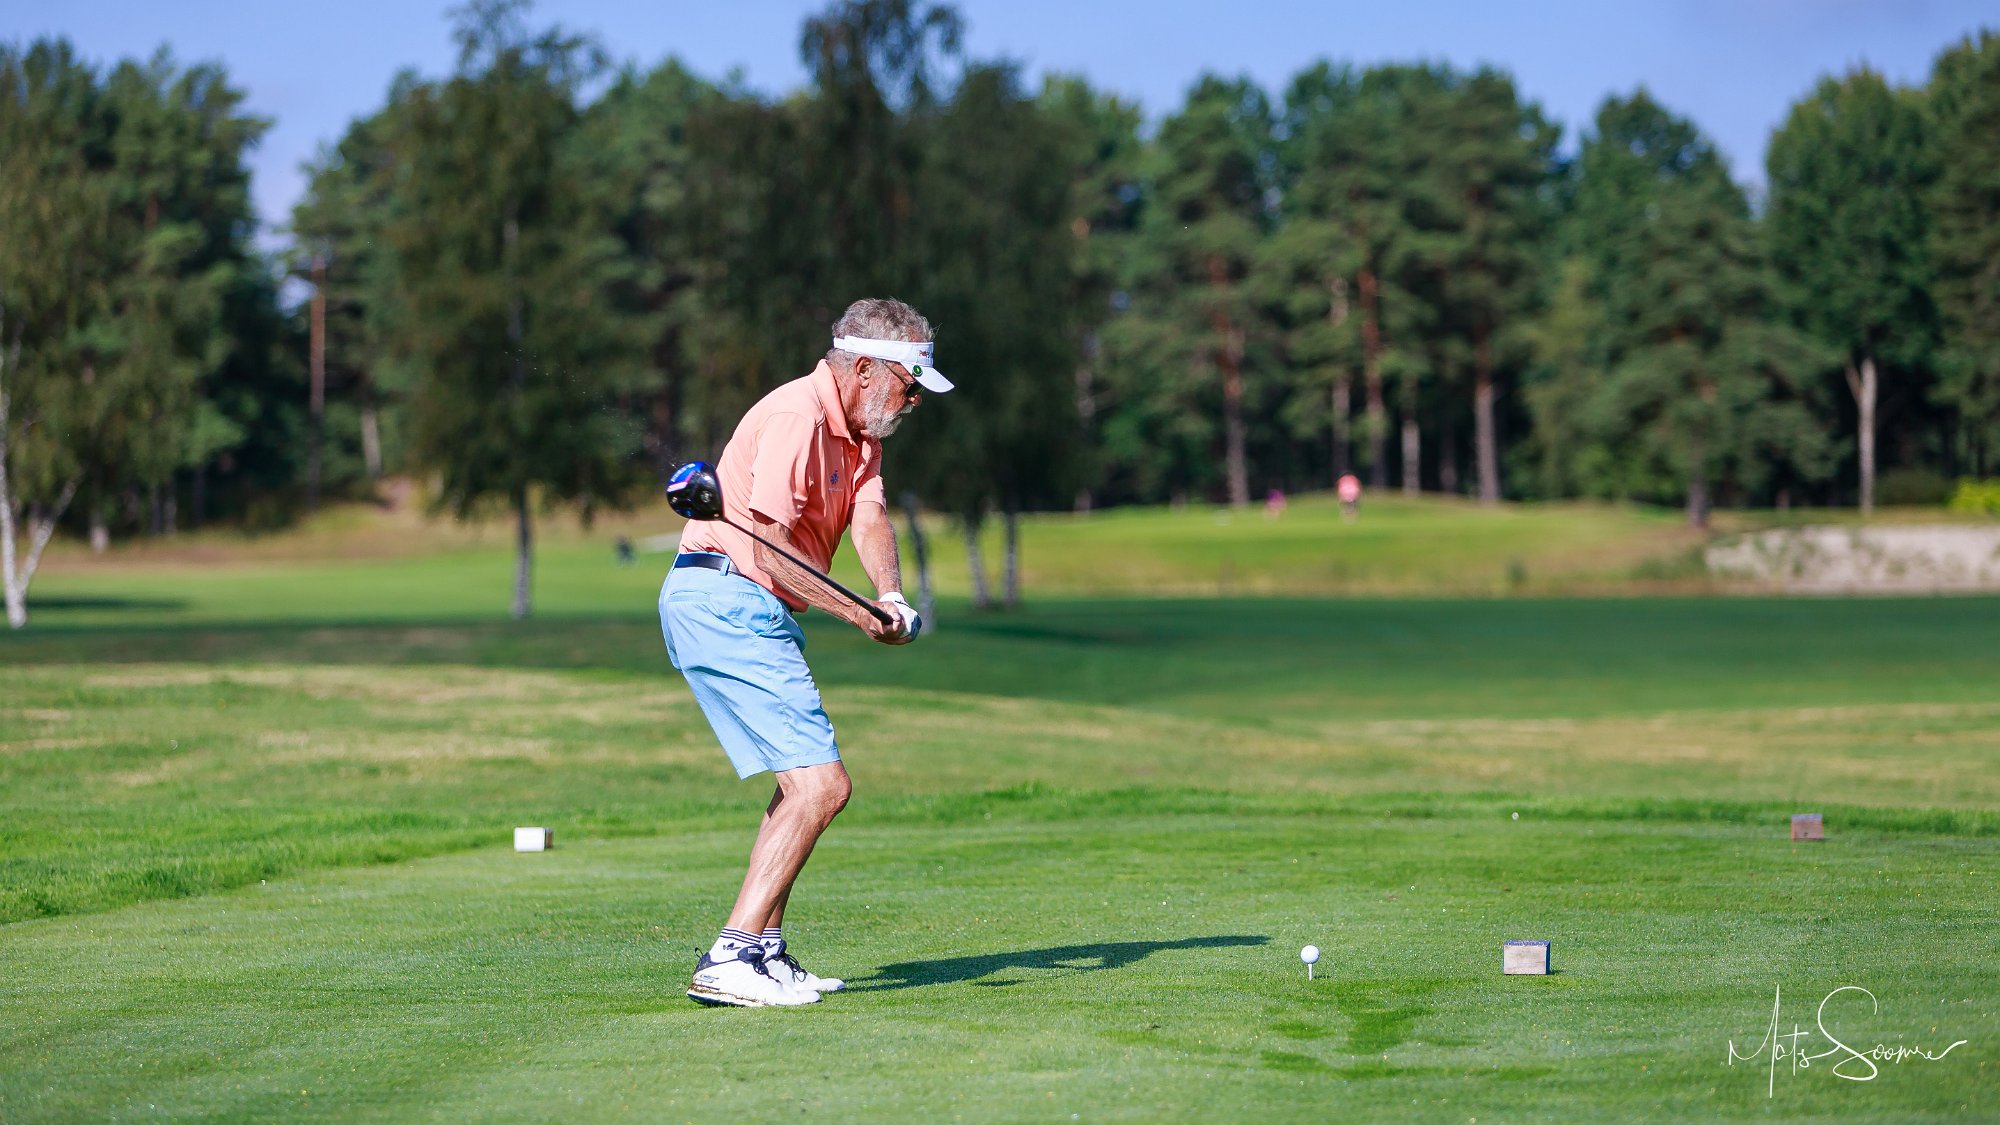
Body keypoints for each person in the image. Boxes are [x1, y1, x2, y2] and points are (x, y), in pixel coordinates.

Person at [660, 297, 950, 1007]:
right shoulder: (796, 415)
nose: (912, 400)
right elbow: (776, 550)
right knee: (824, 786)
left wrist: (892, 594)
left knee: (800, 786)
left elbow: (869, 514)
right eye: (907, 385)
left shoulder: (862, 436)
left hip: (749, 607)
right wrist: (859, 614)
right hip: (727, 598)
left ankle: (761, 951)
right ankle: (730, 955)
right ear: (864, 370)